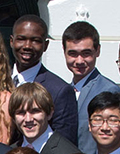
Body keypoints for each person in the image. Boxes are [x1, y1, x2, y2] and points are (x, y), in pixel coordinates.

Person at [10, 13, 80, 142]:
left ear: (46, 45)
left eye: (35, 41)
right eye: (21, 39)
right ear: (11, 41)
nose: (27, 46)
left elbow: (64, 146)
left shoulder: (60, 91)